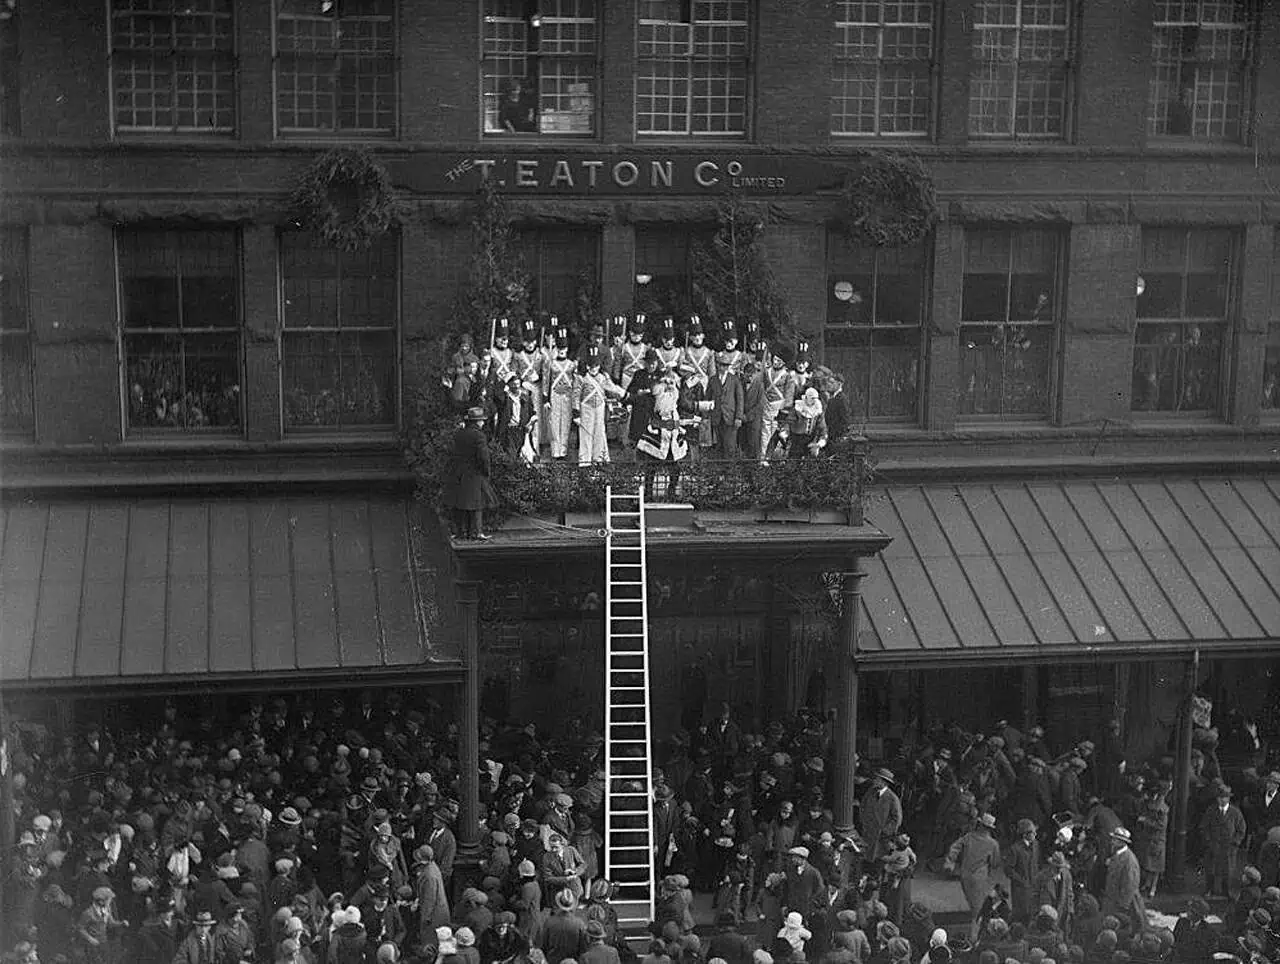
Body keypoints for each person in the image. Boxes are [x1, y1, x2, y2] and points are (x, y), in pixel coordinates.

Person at [441, 407, 497, 541]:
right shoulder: (479, 436)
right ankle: (477, 532)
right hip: (475, 473)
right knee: (477, 504)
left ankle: (460, 532)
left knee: (461, 503)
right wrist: (486, 471)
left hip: (459, 472)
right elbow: (483, 457)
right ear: (477, 422)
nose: (483, 423)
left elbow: (452, 453)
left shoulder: (459, 434)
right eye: (482, 421)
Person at [946, 812, 1002, 941]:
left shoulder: (969, 837)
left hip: (965, 875)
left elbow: (954, 848)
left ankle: (974, 935)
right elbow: (995, 863)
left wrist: (951, 862)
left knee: (974, 906)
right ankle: (974, 938)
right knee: (978, 910)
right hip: (980, 878)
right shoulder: (993, 844)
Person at [574, 346, 624, 465]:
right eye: (591, 366)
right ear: (587, 366)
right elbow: (575, 395)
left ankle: (599, 460)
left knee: (600, 433)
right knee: (586, 435)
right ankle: (585, 462)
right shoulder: (581, 378)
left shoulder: (603, 378)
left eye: (596, 365)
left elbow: (612, 388)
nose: (593, 368)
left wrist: (624, 394)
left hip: (600, 408)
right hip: (586, 409)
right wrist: (576, 412)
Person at [1200, 781, 1247, 897]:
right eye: (1220, 798)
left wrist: (1235, 842)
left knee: (1228, 871)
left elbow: (1242, 829)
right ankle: (1209, 889)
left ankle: (1227, 891)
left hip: (1229, 848)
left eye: (1224, 798)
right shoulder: (1211, 811)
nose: (1222, 800)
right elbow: (1203, 827)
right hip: (1213, 846)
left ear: (1228, 799)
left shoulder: (1235, 813)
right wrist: (1208, 841)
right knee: (1211, 869)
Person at [753, 350, 797, 463]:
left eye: (779, 360)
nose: (776, 362)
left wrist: (785, 410)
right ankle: (762, 459)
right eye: (775, 359)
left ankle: (774, 459)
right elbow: (758, 384)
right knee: (764, 433)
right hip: (767, 405)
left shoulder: (788, 376)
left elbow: (789, 394)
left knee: (777, 435)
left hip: (780, 408)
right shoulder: (766, 372)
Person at [1101, 827, 1144, 933]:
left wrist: (1121, 908)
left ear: (1121, 842)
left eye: (1114, 840)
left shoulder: (1129, 861)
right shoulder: (1118, 854)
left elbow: (1129, 886)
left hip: (1121, 906)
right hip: (1111, 901)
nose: (1112, 842)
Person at [543, 331, 577, 460]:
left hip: (567, 396)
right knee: (555, 422)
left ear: (567, 349)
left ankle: (563, 450)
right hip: (555, 395)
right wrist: (545, 398)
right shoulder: (550, 364)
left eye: (564, 348)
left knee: (566, 422)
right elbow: (546, 381)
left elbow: (575, 382)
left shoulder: (572, 364)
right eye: (559, 348)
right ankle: (555, 450)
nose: (562, 350)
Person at [709, 350, 745, 459]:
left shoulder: (734, 380)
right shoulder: (713, 380)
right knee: (719, 446)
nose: (724, 368)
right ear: (717, 365)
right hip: (717, 417)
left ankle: (730, 473)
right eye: (722, 365)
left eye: (726, 366)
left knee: (730, 447)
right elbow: (708, 398)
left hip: (731, 418)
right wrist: (708, 414)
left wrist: (738, 417)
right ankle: (720, 473)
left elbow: (740, 399)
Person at [788, 387, 828, 459]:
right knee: (793, 460)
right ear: (806, 397)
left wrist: (821, 440)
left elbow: (822, 426)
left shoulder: (818, 409)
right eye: (811, 398)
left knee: (810, 461)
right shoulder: (798, 407)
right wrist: (786, 431)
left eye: (814, 398)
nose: (813, 400)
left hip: (811, 439)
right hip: (797, 439)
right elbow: (790, 421)